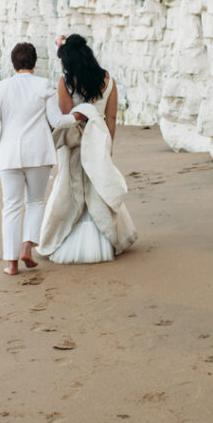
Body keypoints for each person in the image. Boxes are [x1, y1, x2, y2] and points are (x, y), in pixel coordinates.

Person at [37, 34, 137, 263]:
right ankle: (106, 238)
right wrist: (107, 146)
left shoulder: (66, 81)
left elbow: (65, 117)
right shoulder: (107, 79)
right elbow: (111, 117)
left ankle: (63, 236)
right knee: (98, 188)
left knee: (69, 189)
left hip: (75, 144)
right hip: (98, 140)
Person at [0, 42, 81, 275]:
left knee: (11, 206)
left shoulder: (0, 87)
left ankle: (12, 263)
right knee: (36, 202)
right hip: (38, 153)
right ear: (35, 63)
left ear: (13, 63)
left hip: (8, 155)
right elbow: (57, 121)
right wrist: (78, 116)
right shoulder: (43, 85)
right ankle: (28, 246)